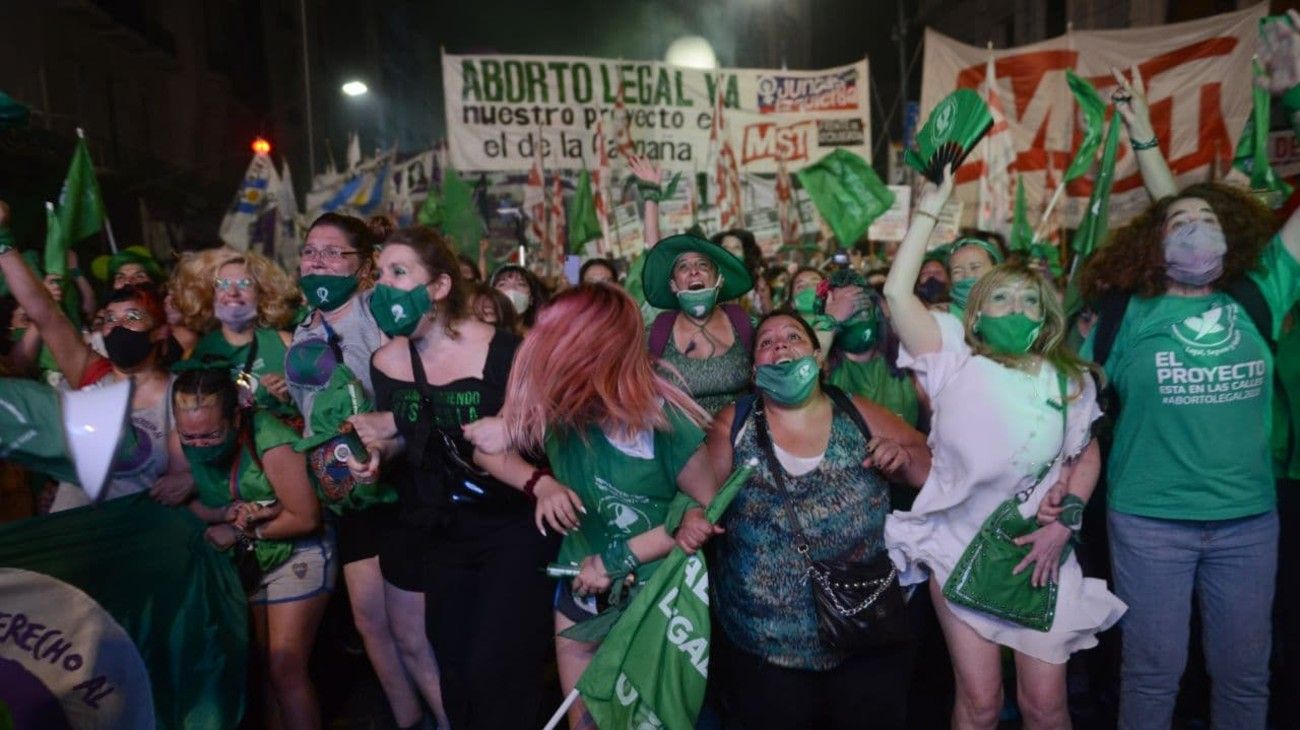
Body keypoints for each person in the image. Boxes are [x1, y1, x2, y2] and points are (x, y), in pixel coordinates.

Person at [1074, 63, 1300, 729]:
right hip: (1149, 526)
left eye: (1209, 217)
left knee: (1243, 678)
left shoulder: (1261, 293)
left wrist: (1292, 94)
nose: (1195, 225)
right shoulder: (1122, 317)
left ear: (1230, 241)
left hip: (1248, 524)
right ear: (1157, 241)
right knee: (1150, 678)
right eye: (1180, 220)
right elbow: (1068, 415)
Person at [883, 167, 1125, 730]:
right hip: (959, 545)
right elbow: (897, 291)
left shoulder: (1069, 378)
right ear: (977, 312)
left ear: (1044, 316)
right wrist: (931, 209)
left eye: (1028, 300)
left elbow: (1083, 453)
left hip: (1041, 547)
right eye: (1002, 298)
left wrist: (1066, 519)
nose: (1016, 308)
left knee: (1045, 706)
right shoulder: (950, 350)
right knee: (982, 703)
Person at [462, 283, 717, 729]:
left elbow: (705, 511)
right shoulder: (559, 404)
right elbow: (486, 451)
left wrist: (618, 558)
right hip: (580, 589)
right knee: (584, 723)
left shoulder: (665, 420)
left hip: (655, 600)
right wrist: (541, 484)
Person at [690, 310, 930, 729]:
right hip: (764, 645)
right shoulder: (737, 421)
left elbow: (929, 468)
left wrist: (902, 458)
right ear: (753, 370)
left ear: (819, 358)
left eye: (793, 337)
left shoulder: (856, 411)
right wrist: (693, 514)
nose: (780, 344)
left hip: (864, 632)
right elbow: (703, 498)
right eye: (766, 342)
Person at [351, 225, 540, 729]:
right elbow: (400, 439)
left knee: (497, 666)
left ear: (438, 287)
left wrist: (511, 428)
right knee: (453, 666)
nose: (385, 286)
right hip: (435, 527)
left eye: (399, 272)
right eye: (380, 274)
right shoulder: (386, 361)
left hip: (506, 527)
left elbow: (540, 432)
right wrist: (376, 455)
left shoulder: (504, 350)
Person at [283, 212, 431, 730]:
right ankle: (408, 720)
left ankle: (447, 718)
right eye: (309, 251)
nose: (317, 261)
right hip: (345, 496)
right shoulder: (302, 329)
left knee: (411, 631)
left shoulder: (376, 311)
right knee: (371, 626)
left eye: (331, 252)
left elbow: (416, 385)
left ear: (361, 265)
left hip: (394, 486)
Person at [0, 200, 192, 508]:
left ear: (160, 331)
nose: (117, 326)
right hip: (80, 534)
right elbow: (44, 313)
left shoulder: (182, 395)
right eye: (111, 318)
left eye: (132, 317)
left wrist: (190, 479)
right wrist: (3, 242)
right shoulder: (92, 374)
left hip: (140, 534)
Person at [174, 367, 329, 730]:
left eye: (210, 434)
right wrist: (220, 514)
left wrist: (241, 533)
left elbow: (306, 517)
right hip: (250, 560)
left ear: (236, 416)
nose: (198, 444)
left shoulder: (270, 441)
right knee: (261, 667)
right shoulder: (182, 440)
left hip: (297, 552)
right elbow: (185, 500)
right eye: (188, 436)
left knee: (285, 667)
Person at [173, 247, 301, 421]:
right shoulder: (199, 354)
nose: (232, 292)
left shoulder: (285, 343)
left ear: (262, 293)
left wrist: (293, 392)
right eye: (222, 284)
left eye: (244, 284)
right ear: (210, 294)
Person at [641, 234, 755, 414]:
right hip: (681, 441)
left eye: (703, 265)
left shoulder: (746, 324)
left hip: (742, 439)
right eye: (683, 267)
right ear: (673, 285)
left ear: (719, 279)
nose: (694, 271)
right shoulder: (654, 334)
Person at [819, 270, 921, 430]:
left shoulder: (909, 362)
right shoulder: (823, 372)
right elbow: (799, 376)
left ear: (877, 312)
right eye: (844, 308)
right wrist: (830, 320)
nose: (855, 313)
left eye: (861, 305)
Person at [945, 236, 1005, 322]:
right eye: (957, 271)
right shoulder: (944, 317)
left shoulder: (1016, 310)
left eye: (975, 267)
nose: (968, 276)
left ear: (996, 271)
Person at [490, 263, 548, 332]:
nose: (512, 288)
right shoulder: (481, 335)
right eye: (502, 284)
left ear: (531, 299)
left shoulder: (541, 336)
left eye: (520, 284)